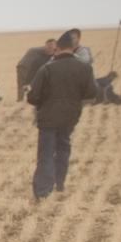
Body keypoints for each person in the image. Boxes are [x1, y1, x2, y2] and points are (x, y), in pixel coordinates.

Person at [26, 30, 94, 201]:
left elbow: (33, 97)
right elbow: (91, 93)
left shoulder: (47, 68)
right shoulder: (84, 68)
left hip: (48, 117)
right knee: (63, 148)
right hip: (71, 117)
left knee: (46, 153)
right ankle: (60, 183)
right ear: (73, 47)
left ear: (58, 47)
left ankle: (43, 191)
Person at [15, 38, 55, 102]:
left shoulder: (36, 50)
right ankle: (22, 100)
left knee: (22, 84)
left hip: (21, 65)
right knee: (27, 84)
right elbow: (49, 54)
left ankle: (21, 99)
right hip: (26, 66)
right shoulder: (44, 49)